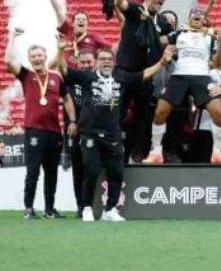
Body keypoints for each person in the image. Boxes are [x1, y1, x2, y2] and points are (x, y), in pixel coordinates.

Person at [65, 47, 172, 222]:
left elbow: (143, 75)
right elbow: (62, 69)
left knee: (116, 172)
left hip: (112, 134)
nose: (106, 62)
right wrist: (59, 50)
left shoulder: (120, 77)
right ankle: (87, 207)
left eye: (109, 59)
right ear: (96, 62)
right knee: (91, 169)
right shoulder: (87, 77)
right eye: (102, 59)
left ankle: (110, 209)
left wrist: (161, 63)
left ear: (113, 62)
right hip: (90, 133)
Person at [144, 8, 221, 164]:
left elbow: (217, 64)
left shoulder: (210, 37)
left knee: (218, 112)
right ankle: (156, 152)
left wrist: (220, 43)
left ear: (204, 20)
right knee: (160, 112)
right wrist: (162, 38)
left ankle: (217, 153)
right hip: (179, 76)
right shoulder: (180, 33)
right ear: (189, 18)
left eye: (200, 14)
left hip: (202, 76)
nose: (197, 15)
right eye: (194, 13)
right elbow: (161, 40)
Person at [5, 29, 74, 219]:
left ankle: (49, 210)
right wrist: (12, 38)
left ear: (45, 56)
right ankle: (29, 208)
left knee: (52, 173)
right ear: (29, 59)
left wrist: (73, 120)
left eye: (39, 55)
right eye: (33, 56)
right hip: (34, 130)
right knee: (33, 171)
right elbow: (8, 62)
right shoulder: (26, 75)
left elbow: (67, 98)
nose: (36, 58)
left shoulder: (56, 77)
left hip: (55, 131)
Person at [114, 0, 173, 163]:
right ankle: (112, 151)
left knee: (142, 118)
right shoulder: (136, 10)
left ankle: (137, 154)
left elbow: (168, 40)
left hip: (146, 75)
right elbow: (118, 2)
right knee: (118, 114)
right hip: (124, 72)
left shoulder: (163, 22)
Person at [62, 51, 95, 218]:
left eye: (89, 62)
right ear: (77, 64)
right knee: (78, 170)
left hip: (94, 131)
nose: (86, 65)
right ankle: (80, 206)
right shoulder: (70, 80)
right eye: (83, 62)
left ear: (94, 62)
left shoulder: (98, 79)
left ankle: (94, 204)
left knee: (93, 168)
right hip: (75, 131)